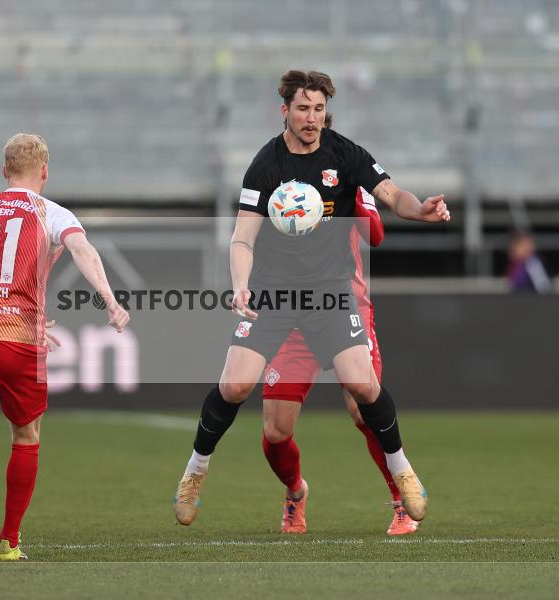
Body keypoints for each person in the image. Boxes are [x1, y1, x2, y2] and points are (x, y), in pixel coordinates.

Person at [173, 70, 450, 529]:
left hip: (329, 293)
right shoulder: (266, 165)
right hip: (275, 294)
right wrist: (240, 283)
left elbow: (391, 194)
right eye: (302, 109)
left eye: (318, 109)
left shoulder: (345, 153)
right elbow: (242, 237)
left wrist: (419, 210)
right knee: (237, 389)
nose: (311, 118)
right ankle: (194, 472)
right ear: (285, 110)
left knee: (362, 387)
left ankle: (402, 471)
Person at [0, 133, 129, 560]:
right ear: (45, 171)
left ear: (4, 171)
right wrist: (109, 300)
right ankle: (9, 542)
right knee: (26, 435)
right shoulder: (51, 211)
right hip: (16, 340)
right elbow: (82, 250)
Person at [262, 187, 418, 535]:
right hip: (293, 316)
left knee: (364, 406)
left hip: (347, 308)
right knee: (275, 431)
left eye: (319, 126)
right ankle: (296, 489)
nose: (312, 128)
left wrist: (355, 195)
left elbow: (374, 234)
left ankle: (401, 502)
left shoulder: (349, 174)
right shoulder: (277, 177)